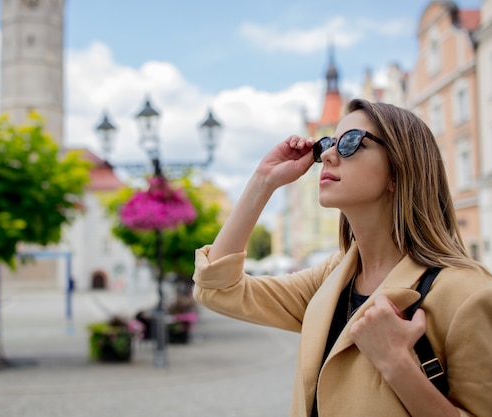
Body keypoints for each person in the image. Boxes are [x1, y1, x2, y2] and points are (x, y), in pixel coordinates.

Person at [192, 98, 492, 417]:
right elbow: (217, 289)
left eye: (350, 143)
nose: (327, 155)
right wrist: (263, 181)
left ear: (399, 170)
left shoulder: (466, 294)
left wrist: (397, 366)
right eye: (327, 143)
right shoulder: (332, 279)